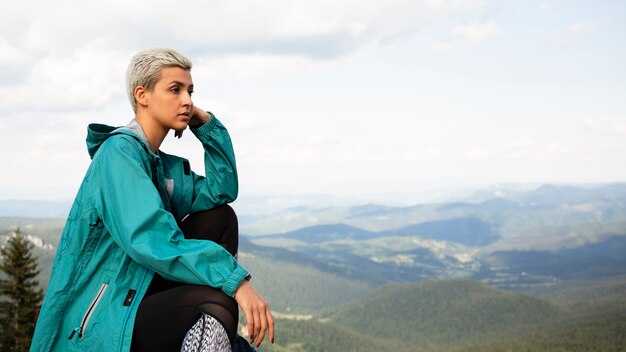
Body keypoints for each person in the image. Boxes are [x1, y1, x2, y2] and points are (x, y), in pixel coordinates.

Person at [30, 48, 274, 351]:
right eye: (175, 89)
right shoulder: (118, 154)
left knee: (220, 217)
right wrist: (236, 282)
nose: (187, 100)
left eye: (190, 91)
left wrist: (205, 124)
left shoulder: (160, 165)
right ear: (142, 95)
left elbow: (221, 190)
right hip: (100, 321)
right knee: (214, 301)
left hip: (140, 290)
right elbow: (150, 239)